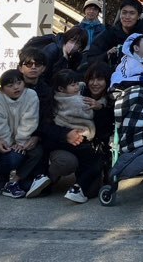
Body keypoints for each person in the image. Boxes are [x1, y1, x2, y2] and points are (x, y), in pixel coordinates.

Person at [47, 62, 113, 198]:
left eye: (100, 79)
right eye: (91, 79)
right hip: (68, 141)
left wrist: (101, 108)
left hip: (93, 145)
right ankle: (47, 180)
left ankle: (79, 188)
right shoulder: (77, 94)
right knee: (68, 162)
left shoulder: (112, 99)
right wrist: (66, 134)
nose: (95, 83)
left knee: (93, 189)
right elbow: (48, 125)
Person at [0, 69, 41, 200]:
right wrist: (4, 141)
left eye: (19, 83)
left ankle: (14, 182)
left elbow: (30, 120)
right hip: (0, 139)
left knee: (36, 153)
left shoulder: (31, 95)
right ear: (2, 89)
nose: (16, 87)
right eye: (10, 85)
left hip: (24, 139)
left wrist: (21, 142)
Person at [87, 0, 143, 68]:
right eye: (124, 13)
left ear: (138, 16)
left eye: (132, 13)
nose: (127, 17)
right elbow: (91, 59)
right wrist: (107, 54)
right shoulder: (109, 33)